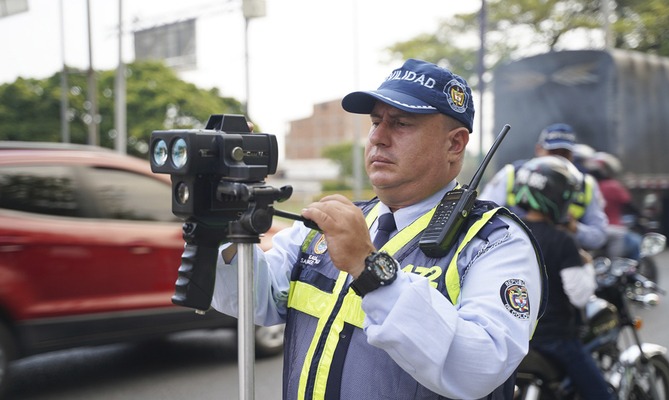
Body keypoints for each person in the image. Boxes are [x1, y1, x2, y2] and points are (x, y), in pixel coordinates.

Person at [211, 59, 546, 399]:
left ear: (455, 144)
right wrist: (220, 226)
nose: (378, 138)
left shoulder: (494, 240)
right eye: (375, 122)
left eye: (400, 124)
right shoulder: (336, 221)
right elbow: (254, 301)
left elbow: (480, 367)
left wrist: (369, 269)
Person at [512, 155, 614, 400]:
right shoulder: (562, 241)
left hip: (515, 336)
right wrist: (586, 266)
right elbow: (579, 296)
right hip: (554, 340)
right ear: (558, 197)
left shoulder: (509, 230)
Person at [480, 123, 609, 251]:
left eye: (564, 154)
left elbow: (599, 236)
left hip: (563, 257)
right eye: (553, 152)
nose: (558, 159)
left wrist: (574, 227)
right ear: (539, 150)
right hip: (513, 250)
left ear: (572, 156)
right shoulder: (512, 175)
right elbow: (482, 217)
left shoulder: (585, 185)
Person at [585, 151, 642, 260]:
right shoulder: (612, 186)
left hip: (591, 231)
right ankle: (618, 267)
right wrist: (642, 215)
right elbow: (629, 205)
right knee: (636, 243)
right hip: (612, 229)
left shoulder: (587, 186)